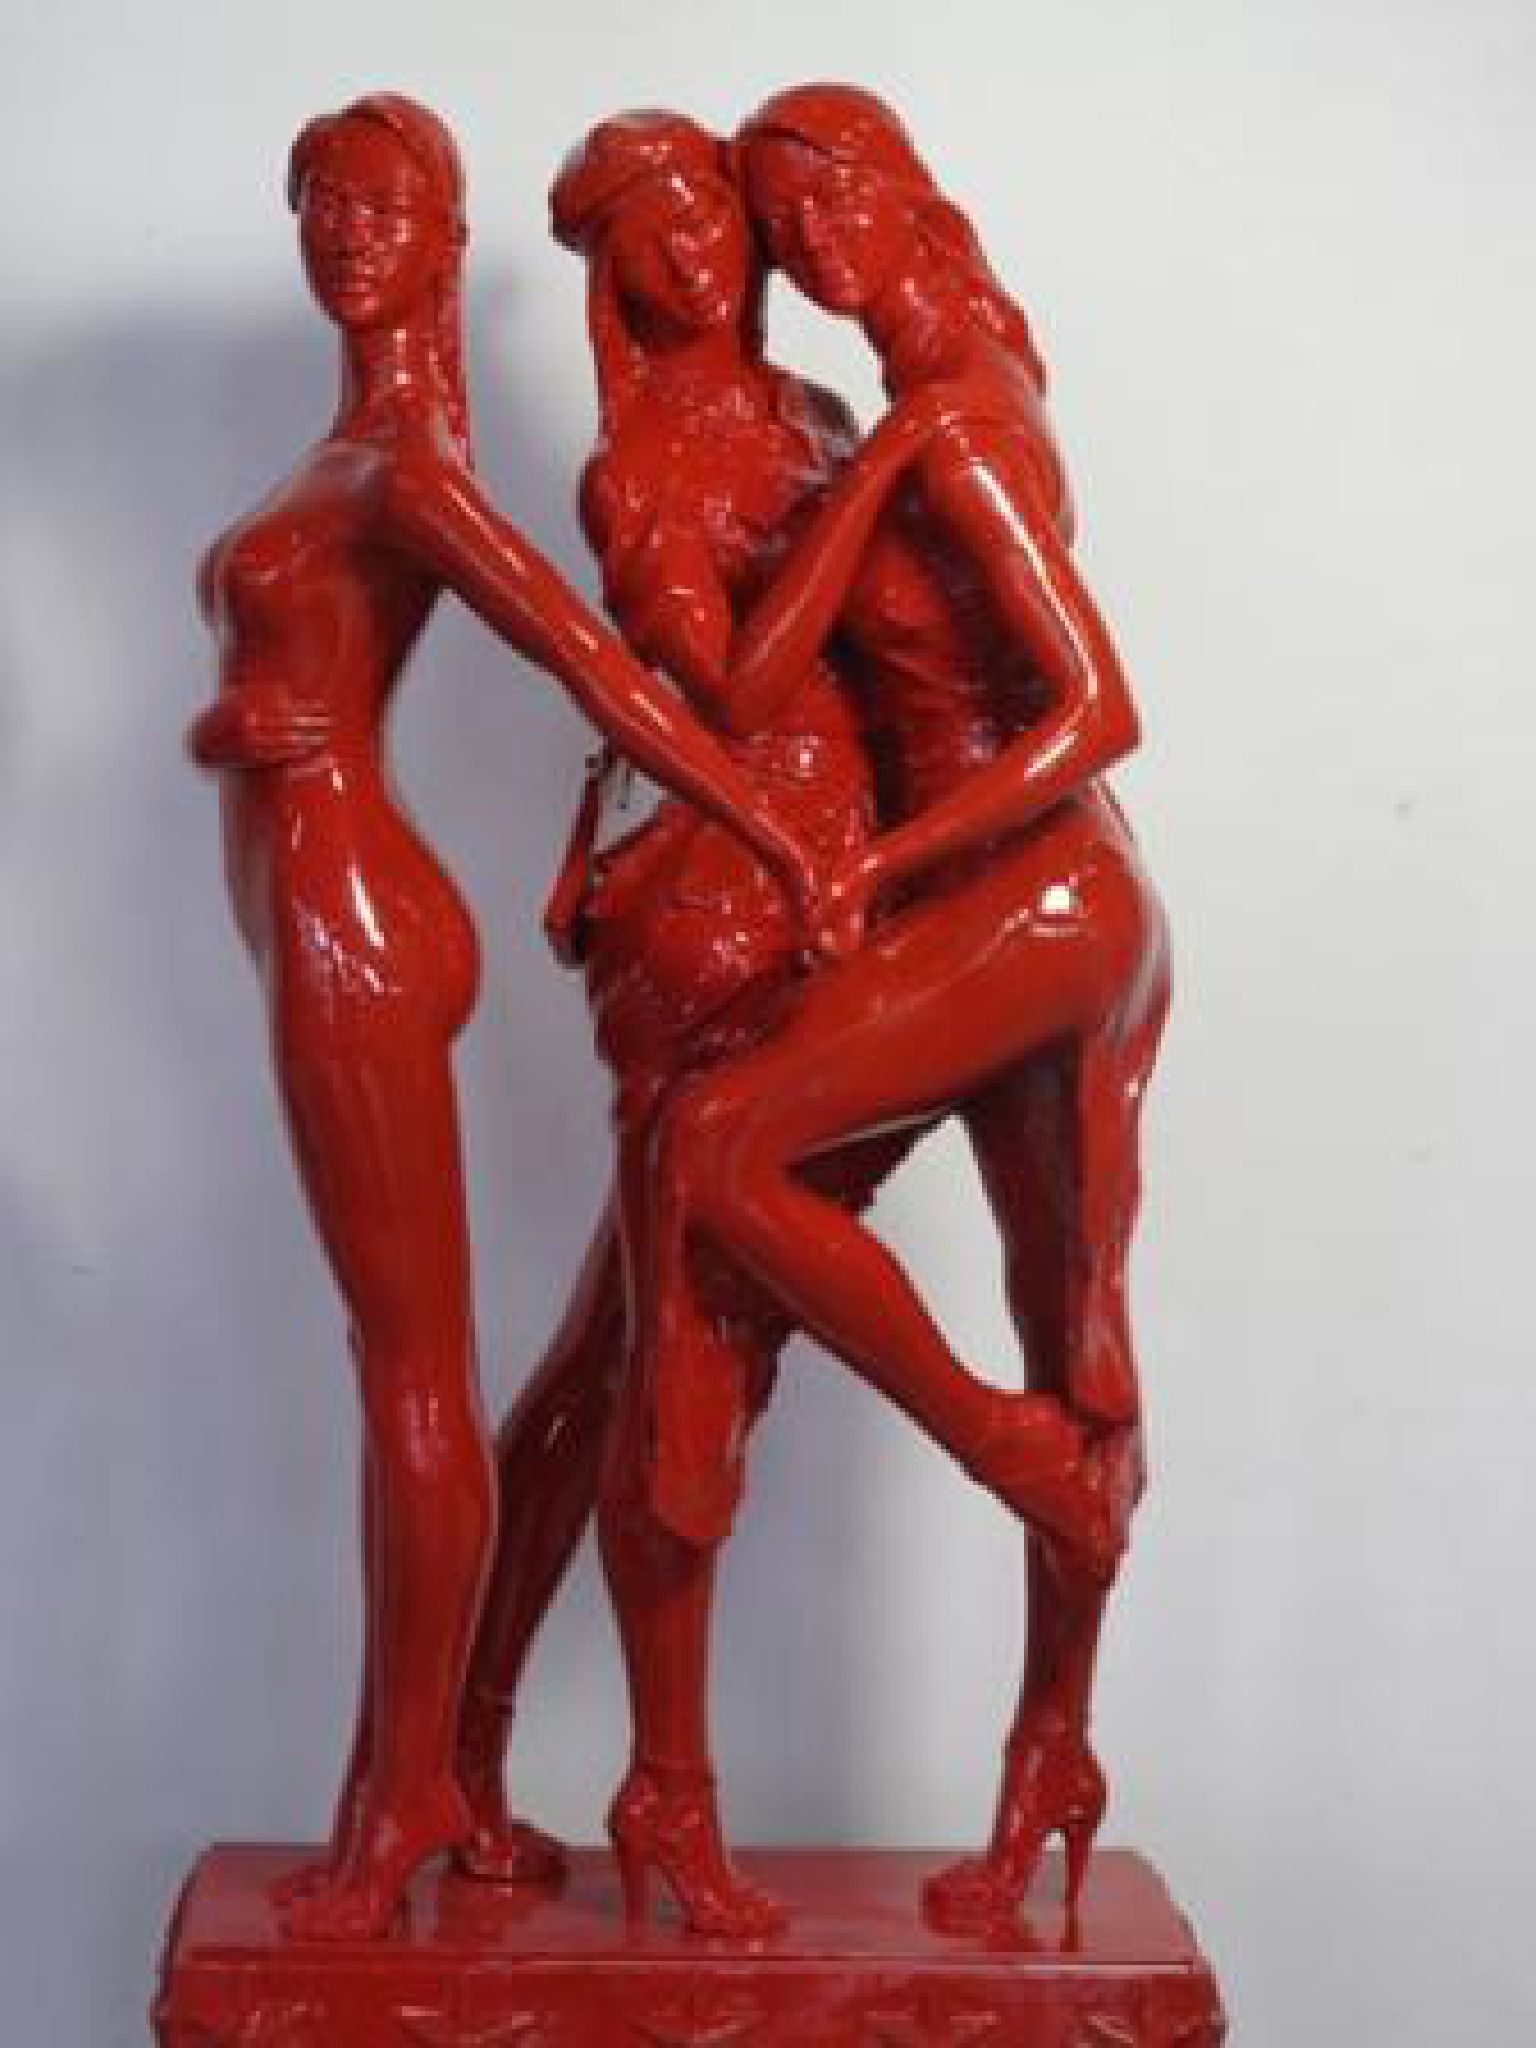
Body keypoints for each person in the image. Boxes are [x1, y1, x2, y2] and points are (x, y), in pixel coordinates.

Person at [188, 93, 830, 1941]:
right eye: (319, 200)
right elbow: (300, 680)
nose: (344, 232)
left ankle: (397, 1803)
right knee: (415, 1368)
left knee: (409, 1376)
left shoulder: (405, 467)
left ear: (447, 244)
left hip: (356, 925)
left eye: (384, 206)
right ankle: (454, 1789)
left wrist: (768, 826)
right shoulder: (353, 455)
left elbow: (593, 662)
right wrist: (232, 728)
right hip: (324, 908)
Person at [611, 83, 1173, 1930]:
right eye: (787, 228)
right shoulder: (909, 413)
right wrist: (860, 481)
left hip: (1045, 895)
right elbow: (749, 673)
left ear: (901, 187)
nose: (813, 247)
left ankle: (999, 1451)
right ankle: (1052, 1758)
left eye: (830, 200)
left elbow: (1101, 709)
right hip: (1020, 902)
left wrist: (888, 857)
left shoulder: (959, 420)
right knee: (1076, 1325)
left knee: (722, 1147)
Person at [454, 110, 958, 1935]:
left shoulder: (813, 411)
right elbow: (715, 690)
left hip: (838, 887)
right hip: (723, 897)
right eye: (654, 229)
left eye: (712, 218)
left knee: (625, 1336)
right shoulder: (641, 459)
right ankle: (663, 1791)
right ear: (609, 269)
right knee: (683, 1342)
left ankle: (459, 1738)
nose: (697, 250)